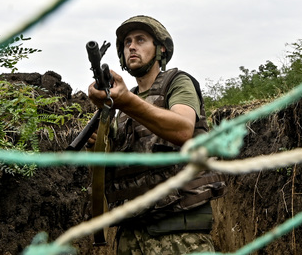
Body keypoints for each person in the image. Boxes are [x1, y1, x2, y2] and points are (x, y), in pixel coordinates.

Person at [88, 15, 226, 254]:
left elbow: (183, 129)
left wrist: (126, 102)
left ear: (161, 49)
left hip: (179, 232)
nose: (131, 46)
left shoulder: (177, 82)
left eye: (141, 40)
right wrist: (96, 145)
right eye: (127, 42)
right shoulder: (119, 106)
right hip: (131, 234)